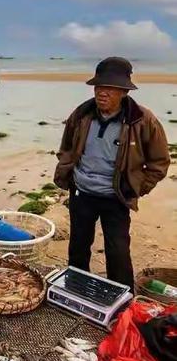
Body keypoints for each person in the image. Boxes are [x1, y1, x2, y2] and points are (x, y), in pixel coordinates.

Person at [54, 57, 170, 288]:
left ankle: (122, 299)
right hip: (82, 193)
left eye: (110, 88)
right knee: (77, 247)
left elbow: (159, 163)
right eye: (99, 87)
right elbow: (66, 148)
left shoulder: (143, 120)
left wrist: (135, 186)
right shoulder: (82, 113)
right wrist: (70, 172)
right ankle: (76, 289)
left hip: (115, 196)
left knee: (117, 251)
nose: (102, 93)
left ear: (124, 92)